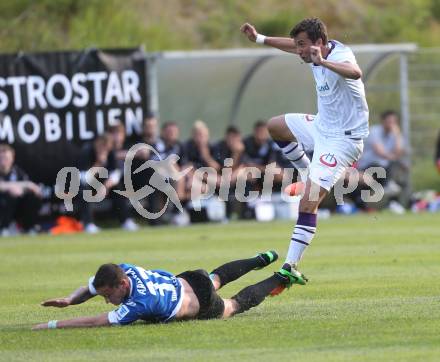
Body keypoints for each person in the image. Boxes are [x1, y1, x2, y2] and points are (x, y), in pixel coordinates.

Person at [241, 18, 369, 291]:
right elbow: (291, 45)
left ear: (319, 43)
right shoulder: (310, 52)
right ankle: (305, 170)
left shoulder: (340, 55)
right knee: (275, 126)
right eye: (298, 45)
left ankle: (289, 267)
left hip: (343, 141)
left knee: (308, 202)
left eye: (303, 45)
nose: (298, 51)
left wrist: (323, 62)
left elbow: (355, 72)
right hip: (323, 127)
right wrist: (260, 39)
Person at [32, 250, 299, 330]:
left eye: (108, 295)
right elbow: (92, 286)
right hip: (190, 279)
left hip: (199, 304)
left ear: (122, 285)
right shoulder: (123, 269)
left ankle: (279, 277)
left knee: (233, 305)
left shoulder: (139, 304)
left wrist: (52, 324)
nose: (106, 301)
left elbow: (96, 321)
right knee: (216, 276)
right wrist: (70, 299)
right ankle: (262, 258)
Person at [75, 134, 137, 233]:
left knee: (118, 187)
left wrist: (105, 187)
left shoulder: (110, 152)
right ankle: (88, 224)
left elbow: (116, 174)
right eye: (101, 146)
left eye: (106, 148)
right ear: (96, 144)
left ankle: (126, 221)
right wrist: (98, 164)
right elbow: (83, 179)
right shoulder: (86, 152)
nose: (103, 150)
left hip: (104, 186)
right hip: (89, 185)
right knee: (83, 190)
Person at [0, 143, 42, 236]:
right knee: (10, 193)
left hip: (16, 206)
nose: (3, 161)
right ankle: (4, 227)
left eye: (6, 158)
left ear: (12, 158)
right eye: (1, 158)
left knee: (32, 195)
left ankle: (28, 227)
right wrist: (12, 187)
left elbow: (27, 185)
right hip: (3, 205)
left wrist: (27, 187)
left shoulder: (17, 171)